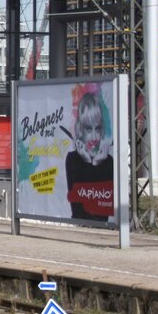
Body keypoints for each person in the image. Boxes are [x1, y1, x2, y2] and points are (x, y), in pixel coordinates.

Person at [63, 88, 114, 221]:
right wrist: (87, 162)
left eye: (97, 129)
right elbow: (78, 208)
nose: (93, 137)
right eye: (88, 128)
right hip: (78, 231)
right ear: (80, 129)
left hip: (102, 234)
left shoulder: (109, 162)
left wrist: (96, 164)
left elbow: (102, 213)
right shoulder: (72, 159)